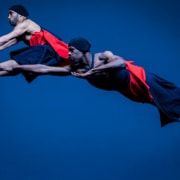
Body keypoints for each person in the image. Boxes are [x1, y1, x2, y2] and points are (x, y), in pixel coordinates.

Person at [5, 37, 180, 127]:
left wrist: (94, 72)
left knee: (173, 98)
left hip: (141, 79)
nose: (69, 55)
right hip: (132, 92)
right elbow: (44, 69)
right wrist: (19, 66)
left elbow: (119, 63)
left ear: (82, 50)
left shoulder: (103, 56)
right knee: (168, 109)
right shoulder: (77, 70)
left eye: (72, 51)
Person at [0, 4, 70, 82]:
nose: (9, 17)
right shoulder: (22, 33)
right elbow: (6, 45)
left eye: (11, 13)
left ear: (20, 15)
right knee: (19, 68)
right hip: (49, 55)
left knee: (16, 63)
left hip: (46, 50)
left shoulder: (25, 24)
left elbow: (5, 39)